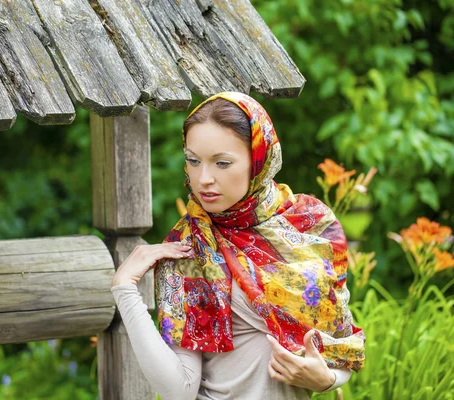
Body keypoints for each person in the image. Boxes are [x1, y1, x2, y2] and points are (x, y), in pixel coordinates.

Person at [110, 92, 365, 399]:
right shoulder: (190, 249)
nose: (204, 178)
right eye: (193, 161)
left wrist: (325, 379)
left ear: (258, 160)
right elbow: (180, 391)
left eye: (222, 163)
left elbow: (341, 349)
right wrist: (125, 290)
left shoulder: (309, 225)